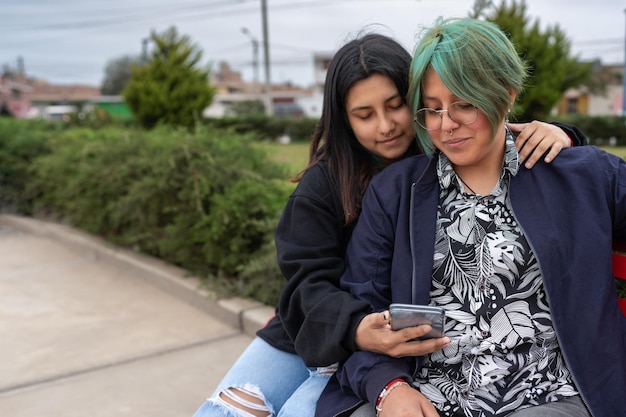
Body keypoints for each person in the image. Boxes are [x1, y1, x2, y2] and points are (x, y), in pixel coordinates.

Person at [192, 31, 589, 417]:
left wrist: (563, 134)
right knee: (227, 409)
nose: (385, 126)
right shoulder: (325, 185)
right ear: (344, 120)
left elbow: (508, 146)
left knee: (299, 410)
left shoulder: (447, 151)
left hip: (388, 347)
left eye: (395, 106)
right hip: (322, 329)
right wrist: (356, 329)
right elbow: (306, 283)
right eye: (364, 115)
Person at [316, 18, 625, 417]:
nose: (446, 124)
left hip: (546, 395)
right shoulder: (395, 193)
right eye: (433, 108)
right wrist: (387, 387)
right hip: (426, 395)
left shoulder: (578, 175)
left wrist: (568, 139)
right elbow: (365, 308)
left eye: (464, 104)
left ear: (506, 94)